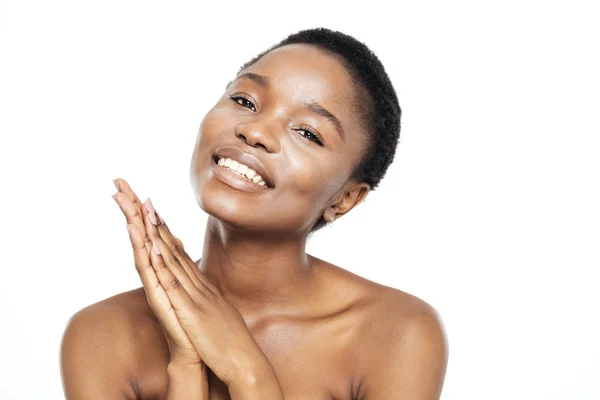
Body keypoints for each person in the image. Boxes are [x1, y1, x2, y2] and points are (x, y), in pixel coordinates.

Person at [60, 27, 448, 399]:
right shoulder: (101, 336)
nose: (254, 131)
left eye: (307, 133)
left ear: (344, 198)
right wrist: (186, 365)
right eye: (245, 101)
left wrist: (246, 369)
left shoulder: (395, 333)